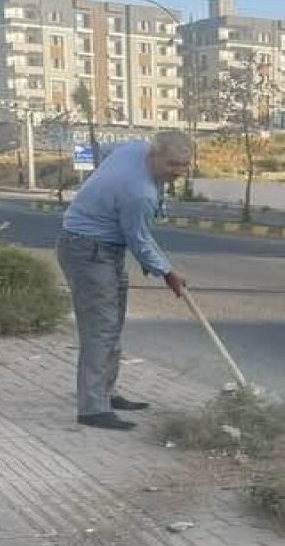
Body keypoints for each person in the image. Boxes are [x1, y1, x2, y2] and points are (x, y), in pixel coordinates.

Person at [57, 131, 193, 431]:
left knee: (112, 322)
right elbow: (140, 241)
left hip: (105, 248)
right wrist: (168, 273)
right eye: (173, 164)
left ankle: (105, 392)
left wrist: (101, 187)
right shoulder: (139, 192)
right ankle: (92, 409)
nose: (179, 172)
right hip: (87, 250)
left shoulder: (133, 148)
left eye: (184, 165)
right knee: (101, 328)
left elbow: (102, 150)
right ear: (153, 156)